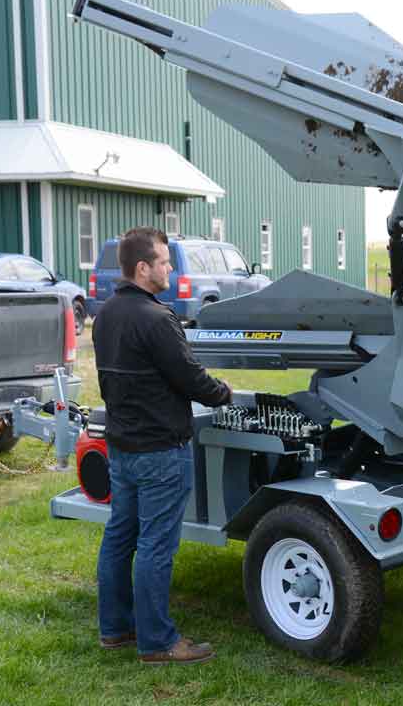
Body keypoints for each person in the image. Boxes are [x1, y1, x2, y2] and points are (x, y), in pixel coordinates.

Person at [92, 227, 232, 665]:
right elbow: (190, 377)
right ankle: (158, 642)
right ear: (142, 268)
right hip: (160, 450)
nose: (170, 268)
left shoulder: (106, 314)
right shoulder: (157, 318)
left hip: (122, 445)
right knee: (155, 544)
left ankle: (115, 629)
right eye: (165, 262)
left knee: (120, 536)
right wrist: (224, 393)